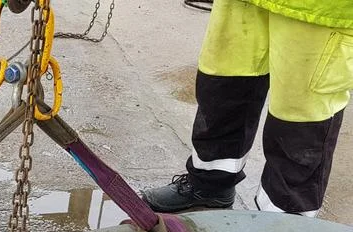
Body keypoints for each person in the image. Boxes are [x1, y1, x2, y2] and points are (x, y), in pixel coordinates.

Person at [141, 0, 353, 216]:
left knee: (301, 117)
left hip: (317, 8)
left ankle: (286, 223)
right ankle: (209, 185)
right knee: (224, 83)